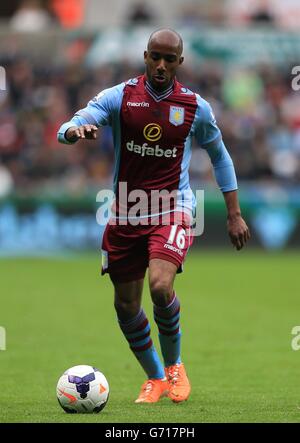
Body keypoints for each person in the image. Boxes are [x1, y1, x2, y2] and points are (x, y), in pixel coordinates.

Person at [57, 29, 250, 404]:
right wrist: (75, 131)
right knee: (126, 305)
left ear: (180, 63)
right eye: (155, 57)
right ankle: (156, 377)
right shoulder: (121, 96)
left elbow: (220, 156)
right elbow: (70, 123)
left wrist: (234, 214)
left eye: (169, 59)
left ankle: (176, 366)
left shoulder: (195, 107)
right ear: (145, 56)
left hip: (172, 208)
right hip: (126, 210)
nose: (161, 65)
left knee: (161, 287)